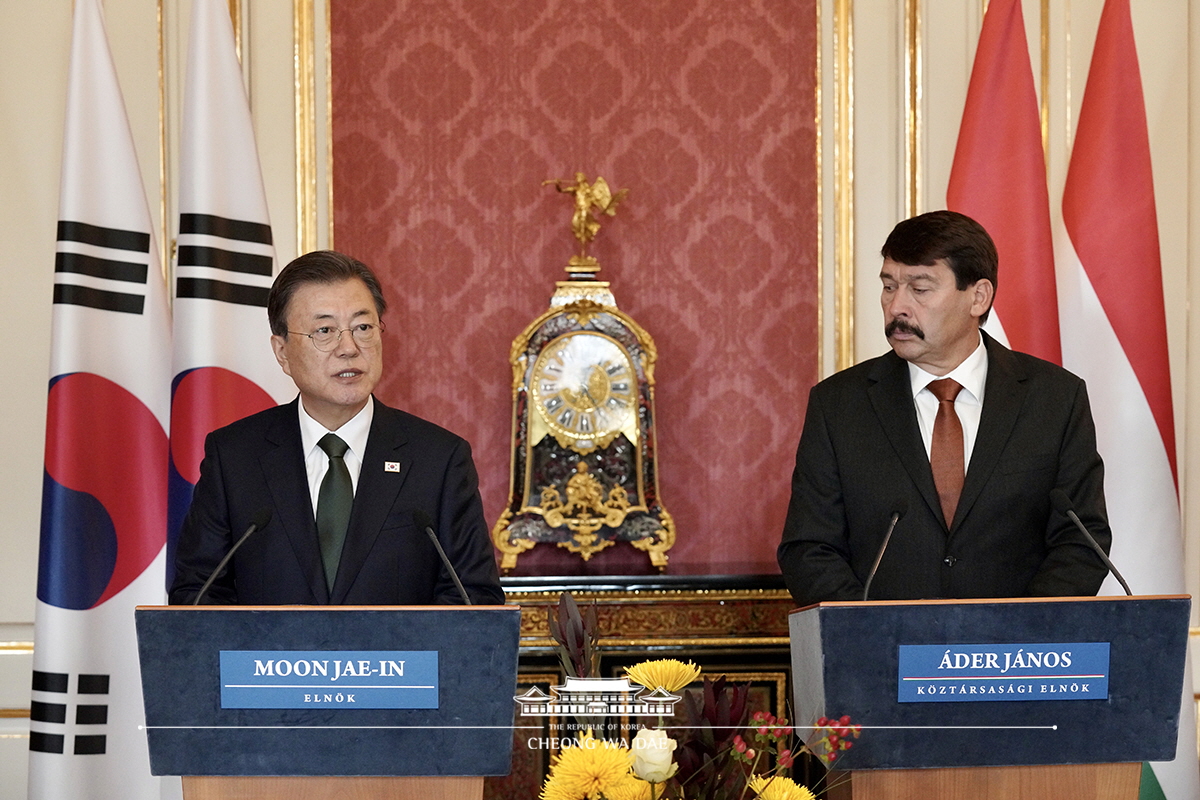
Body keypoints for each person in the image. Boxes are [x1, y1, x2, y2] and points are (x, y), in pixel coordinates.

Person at [777, 211, 1111, 606]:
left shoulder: (1055, 398)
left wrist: (1020, 637)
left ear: (978, 296)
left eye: (920, 289)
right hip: (882, 657)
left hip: (1018, 660)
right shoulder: (838, 404)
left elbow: (1080, 540)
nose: (897, 306)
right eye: (888, 286)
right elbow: (809, 548)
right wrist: (873, 635)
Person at [170, 250, 505, 605]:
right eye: (324, 331)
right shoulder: (235, 457)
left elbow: (474, 601)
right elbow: (197, 597)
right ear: (282, 352)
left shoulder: (437, 459)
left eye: (363, 327)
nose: (349, 348)